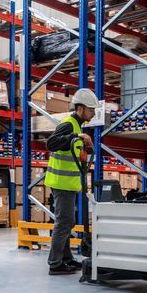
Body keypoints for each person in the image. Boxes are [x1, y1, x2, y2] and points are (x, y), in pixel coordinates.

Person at [44, 88, 98, 275]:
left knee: (67, 221)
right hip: (61, 183)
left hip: (68, 183)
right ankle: (55, 263)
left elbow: (70, 151)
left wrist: (83, 147)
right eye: (91, 109)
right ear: (81, 108)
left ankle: (66, 258)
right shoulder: (69, 125)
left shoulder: (77, 126)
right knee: (64, 221)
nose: (93, 113)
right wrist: (75, 137)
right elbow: (51, 143)